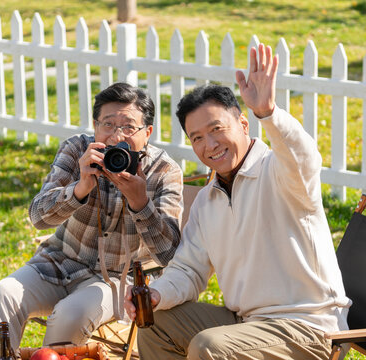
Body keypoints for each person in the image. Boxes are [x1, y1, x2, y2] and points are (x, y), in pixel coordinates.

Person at [125, 44, 351, 360]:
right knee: (156, 324)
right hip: (248, 324)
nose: (210, 144)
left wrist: (269, 112)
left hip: (309, 329)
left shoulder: (282, 173)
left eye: (217, 129)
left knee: (209, 347)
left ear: (243, 125)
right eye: (197, 138)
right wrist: (157, 294)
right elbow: (188, 269)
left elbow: (304, 157)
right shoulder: (207, 200)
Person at [0, 82, 183, 353]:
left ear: (148, 133)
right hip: (60, 262)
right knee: (4, 293)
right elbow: (38, 217)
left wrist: (140, 202)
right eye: (108, 124)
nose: (116, 137)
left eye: (129, 127)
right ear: (95, 126)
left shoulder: (165, 171)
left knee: (69, 315)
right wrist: (80, 187)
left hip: (121, 280)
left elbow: (170, 255)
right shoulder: (77, 151)